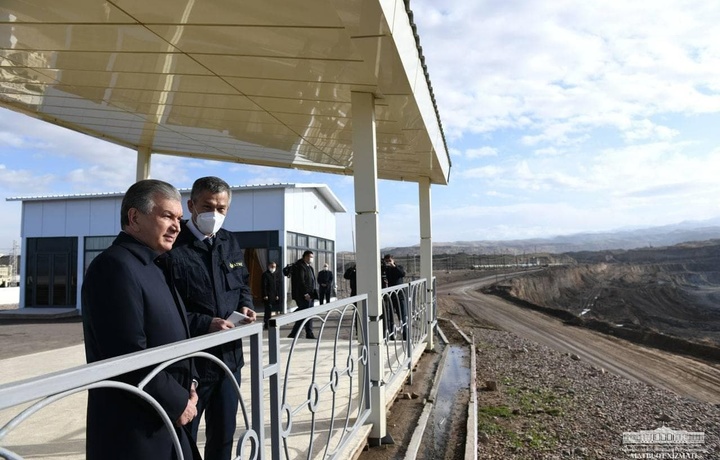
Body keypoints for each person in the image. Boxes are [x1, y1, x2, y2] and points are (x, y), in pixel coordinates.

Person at [81, 179, 200, 460]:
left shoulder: (153, 265)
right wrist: (178, 400)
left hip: (163, 418)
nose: (177, 226)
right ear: (134, 218)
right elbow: (127, 353)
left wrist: (189, 382)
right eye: (167, 216)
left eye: (179, 218)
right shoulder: (115, 267)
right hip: (135, 428)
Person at [169, 176, 256, 460]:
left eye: (222, 209)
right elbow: (167, 306)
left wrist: (245, 306)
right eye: (208, 206)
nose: (215, 215)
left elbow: (242, 283)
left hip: (229, 362)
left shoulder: (229, 240)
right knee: (184, 439)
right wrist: (203, 323)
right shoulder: (172, 246)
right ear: (191, 205)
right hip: (191, 364)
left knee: (223, 435)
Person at [288, 250, 318, 339]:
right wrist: (305, 293)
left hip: (311, 295)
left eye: (312, 257)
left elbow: (312, 281)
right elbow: (301, 281)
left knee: (308, 314)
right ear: (304, 257)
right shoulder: (300, 266)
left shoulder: (310, 267)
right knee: (303, 313)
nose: (311, 258)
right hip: (303, 296)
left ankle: (307, 333)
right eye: (309, 257)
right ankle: (295, 333)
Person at [383, 254, 407, 339]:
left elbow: (402, 274)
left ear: (393, 260)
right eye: (386, 261)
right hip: (390, 295)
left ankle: (405, 336)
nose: (388, 263)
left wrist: (393, 266)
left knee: (402, 315)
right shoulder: (385, 269)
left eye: (389, 261)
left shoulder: (398, 267)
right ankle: (391, 335)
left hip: (399, 295)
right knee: (389, 316)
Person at [261, 261, 282, 329]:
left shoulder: (276, 274)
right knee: (268, 310)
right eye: (272, 266)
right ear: (269, 266)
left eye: (275, 267)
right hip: (267, 296)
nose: (273, 268)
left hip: (274, 295)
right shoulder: (265, 274)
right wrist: (265, 295)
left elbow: (277, 286)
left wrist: (277, 295)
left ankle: (271, 323)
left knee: (273, 310)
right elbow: (263, 286)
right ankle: (266, 324)